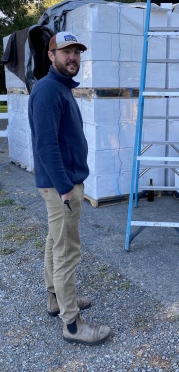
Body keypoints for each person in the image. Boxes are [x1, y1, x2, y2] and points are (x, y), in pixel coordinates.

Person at [28, 31, 111, 344]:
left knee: (54, 242)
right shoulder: (49, 90)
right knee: (67, 252)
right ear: (51, 56)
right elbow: (45, 144)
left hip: (59, 184)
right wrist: (65, 187)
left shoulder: (59, 88)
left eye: (76, 52)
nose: (72, 57)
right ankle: (73, 325)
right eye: (65, 52)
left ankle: (57, 300)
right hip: (61, 187)